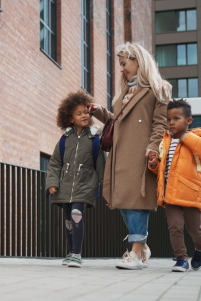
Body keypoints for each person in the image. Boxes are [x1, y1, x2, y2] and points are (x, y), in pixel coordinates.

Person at [89, 42, 171, 270]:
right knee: (123, 201)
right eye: (120, 65)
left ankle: (135, 252)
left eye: (125, 64)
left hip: (141, 152)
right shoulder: (125, 91)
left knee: (136, 200)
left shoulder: (159, 88)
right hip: (120, 152)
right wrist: (97, 111)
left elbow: (160, 123)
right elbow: (117, 121)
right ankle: (142, 246)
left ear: (138, 60)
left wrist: (154, 147)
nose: (122, 69)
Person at [148, 99, 201, 272]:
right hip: (170, 195)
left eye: (176, 118)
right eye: (169, 119)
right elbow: (163, 170)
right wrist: (154, 164)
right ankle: (181, 258)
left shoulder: (198, 136)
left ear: (188, 121)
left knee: (195, 229)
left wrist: (185, 136)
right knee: (175, 227)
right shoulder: (166, 141)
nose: (171, 123)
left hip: (190, 193)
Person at [46, 90, 106, 268]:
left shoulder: (94, 139)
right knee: (68, 221)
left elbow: (101, 166)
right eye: (79, 113)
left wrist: (106, 191)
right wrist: (52, 183)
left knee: (76, 215)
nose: (84, 116)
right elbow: (55, 163)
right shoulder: (65, 139)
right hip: (65, 187)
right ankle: (71, 251)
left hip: (85, 186)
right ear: (70, 118)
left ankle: (77, 253)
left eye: (86, 112)